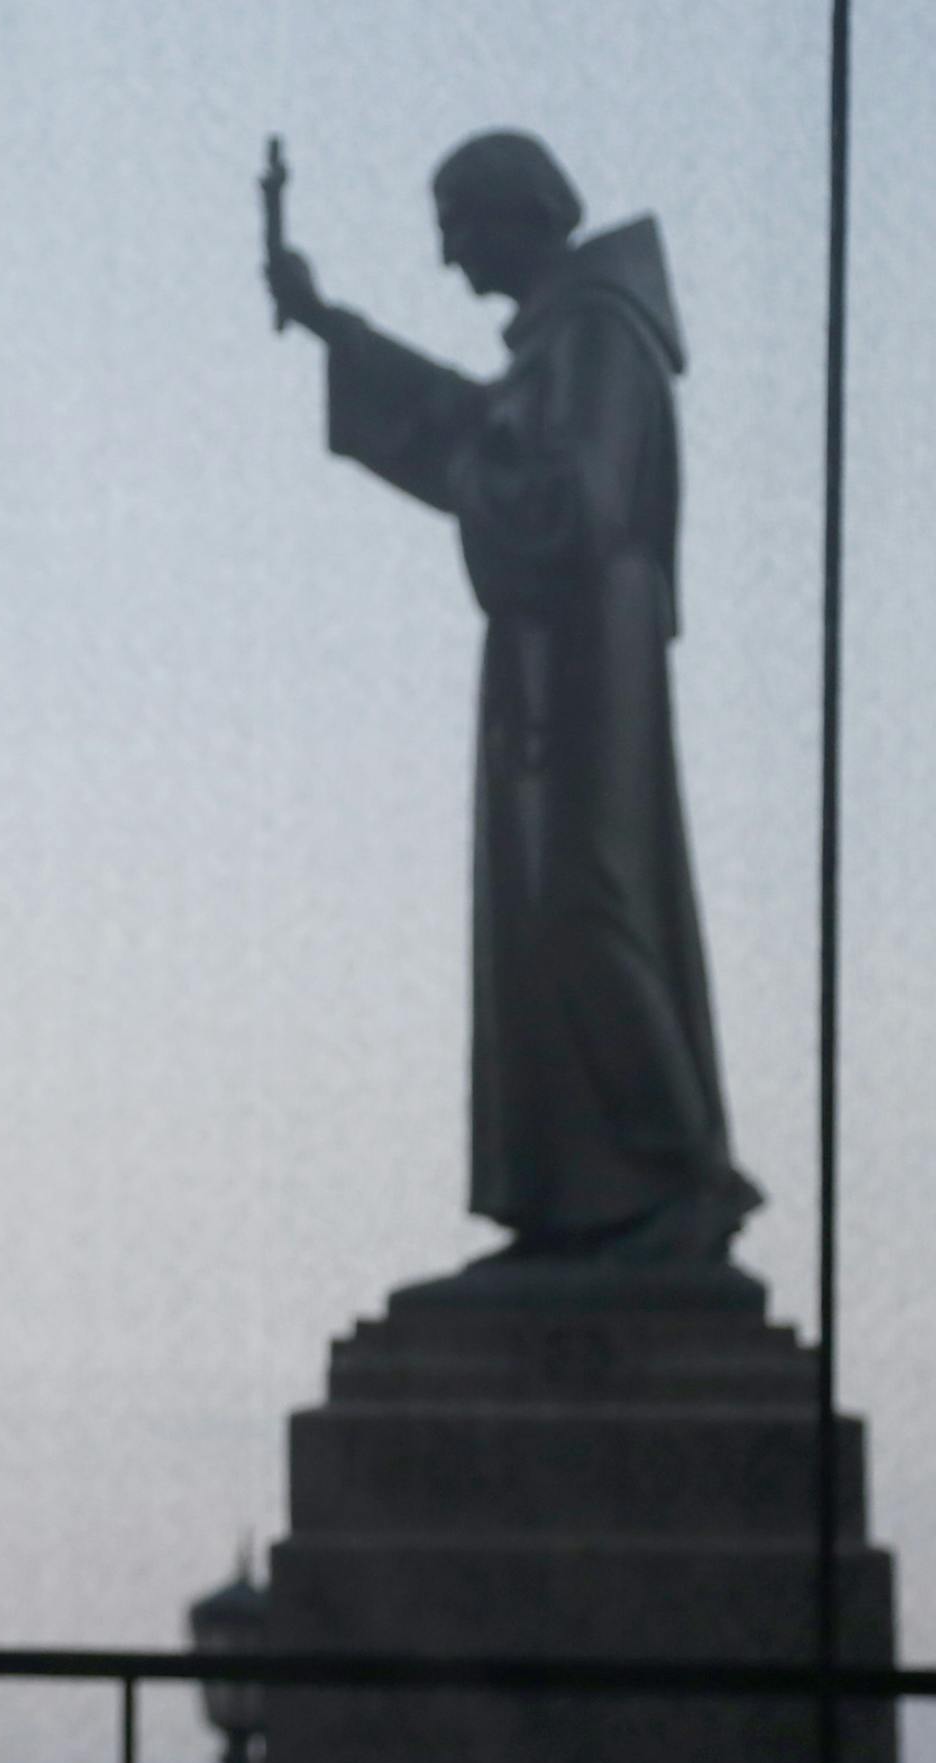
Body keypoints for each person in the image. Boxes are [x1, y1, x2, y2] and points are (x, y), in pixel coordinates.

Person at [266, 132, 760, 1266]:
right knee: (548, 910)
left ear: (518, 212)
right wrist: (335, 326)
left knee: (587, 896)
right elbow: (486, 429)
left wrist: (481, 467)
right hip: (563, 643)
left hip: (588, 645)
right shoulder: (572, 336)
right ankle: (583, 1200)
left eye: (458, 227)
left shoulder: (596, 332)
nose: (449, 259)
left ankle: (680, 1172)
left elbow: (562, 500)